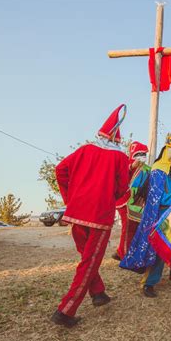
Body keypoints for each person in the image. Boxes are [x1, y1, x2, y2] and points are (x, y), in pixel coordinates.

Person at [51, 104, 129, 328]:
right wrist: (114, 194)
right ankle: (66, 310)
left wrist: (71, 198)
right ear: (116, 138)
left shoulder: (84, 150)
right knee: (89, 263)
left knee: (87, 259)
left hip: (76, 214)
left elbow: (60, 170)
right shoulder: (119, 158)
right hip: (99, 216)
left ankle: (98, 293)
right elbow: (122, 188)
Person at [120, 133, 171, 297]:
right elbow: (157, 196)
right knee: (157, 249)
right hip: (160, 214)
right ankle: (148, 283)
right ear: (167, 149)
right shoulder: (159, 169)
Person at [112, 141, 150, 260]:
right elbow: (119, 177)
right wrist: (132, 166)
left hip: (136, 203)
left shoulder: (145, 169)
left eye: (143, 154)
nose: (141, 156)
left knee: (134, 227)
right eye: (139, 153)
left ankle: (122, 251)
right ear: (133, 154)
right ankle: (124, 254)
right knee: (128, 227)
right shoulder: (126, 164)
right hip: (124, 201)